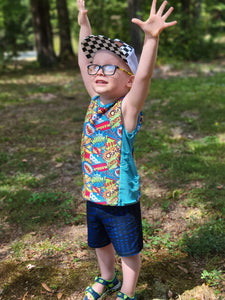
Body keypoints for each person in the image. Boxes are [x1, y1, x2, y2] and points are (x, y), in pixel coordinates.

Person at [77, 0, 176, 299]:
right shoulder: (95, 101)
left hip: (120, 199)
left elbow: (144, 77)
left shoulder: (127, 110)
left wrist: (151, 38)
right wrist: (84, 23)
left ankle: (127, 292)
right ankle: (107, 278)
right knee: (99, 243)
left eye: (111, 66)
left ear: (128, 80)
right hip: (93, 195)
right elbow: (84, 59)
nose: (98, 70)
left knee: (128, 250)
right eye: (97, 66)